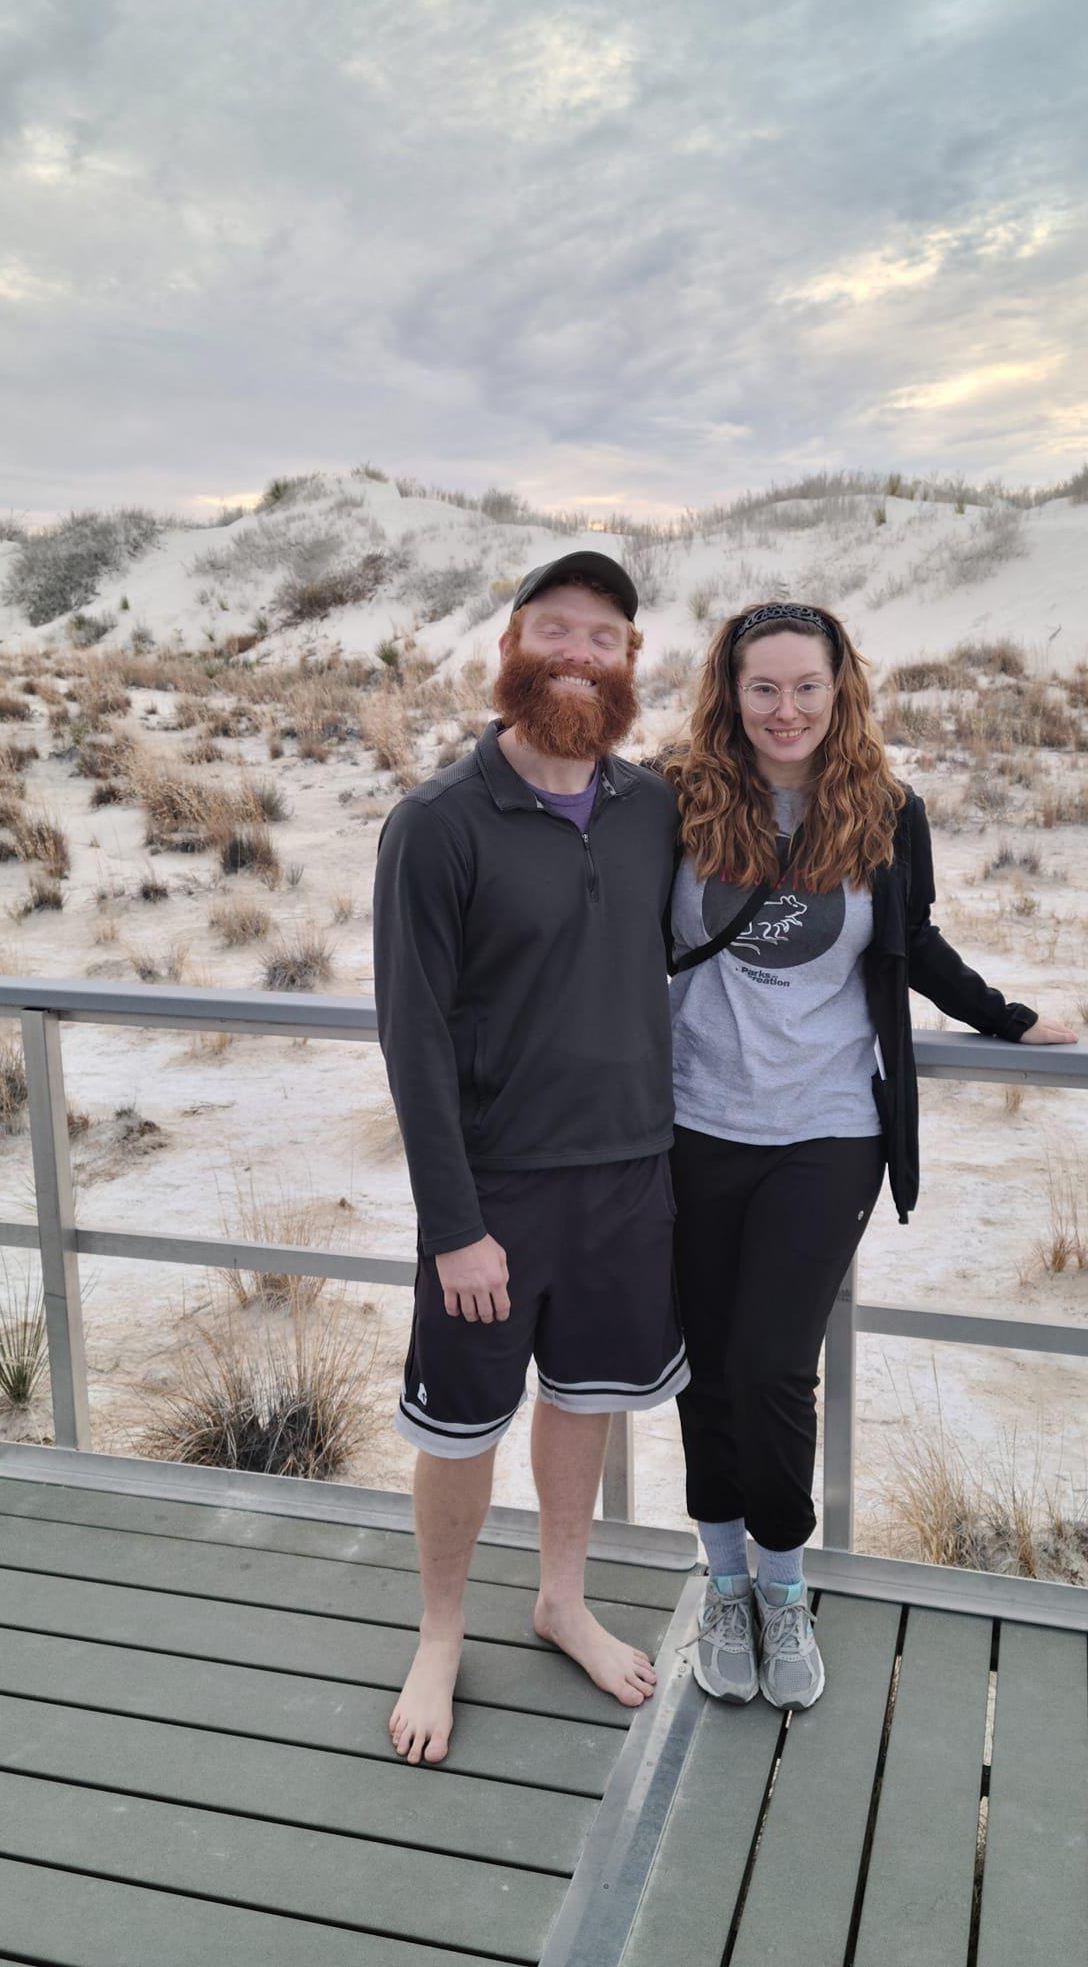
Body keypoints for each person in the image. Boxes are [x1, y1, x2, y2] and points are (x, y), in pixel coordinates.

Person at [658, 600, 1077, 1708]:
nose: (785, 709)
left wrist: (1004, 1016)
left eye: (806, 685)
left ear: (840, 689)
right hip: (690, 1123)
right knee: (702, 1362)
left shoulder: (884, 808)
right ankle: (724, 1581)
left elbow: (914, 939)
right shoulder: (676, 797)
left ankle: (785, 1588)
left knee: (770, 1364)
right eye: (763, 687)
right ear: (729, 692)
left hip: (828, 1129)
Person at [371, 549, 688, 1765]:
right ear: (509, 647)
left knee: (586, 1399)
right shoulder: (439, 825)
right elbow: (409, 1038)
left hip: (628, 1174)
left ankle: (561, 1599)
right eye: (552, 629)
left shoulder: (653, 805)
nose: (575, 651)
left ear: (626, 662)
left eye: (599, 636)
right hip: (493, 1193)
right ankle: (441, 1630)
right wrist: (454, 1223)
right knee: (457, 1424)